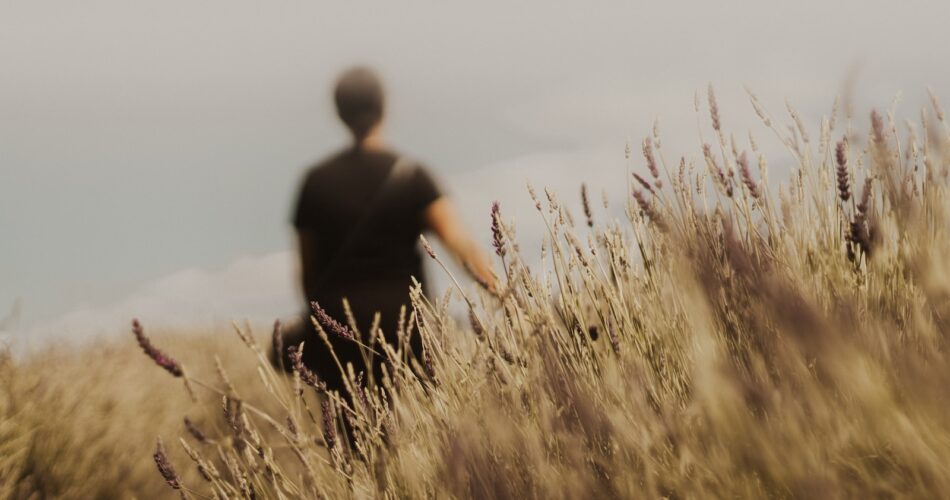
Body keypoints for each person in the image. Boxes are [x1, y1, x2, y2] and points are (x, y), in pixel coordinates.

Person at [274, 66, 493, 395]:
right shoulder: (412, 175)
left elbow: (308, 273)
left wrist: (321, 319)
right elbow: (460, 246)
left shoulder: (314, 182)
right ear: (385, 105)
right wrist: (504, 293)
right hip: (407, 328)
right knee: (417, 421)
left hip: (338, 331)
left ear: (339, 112)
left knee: (350, 424)